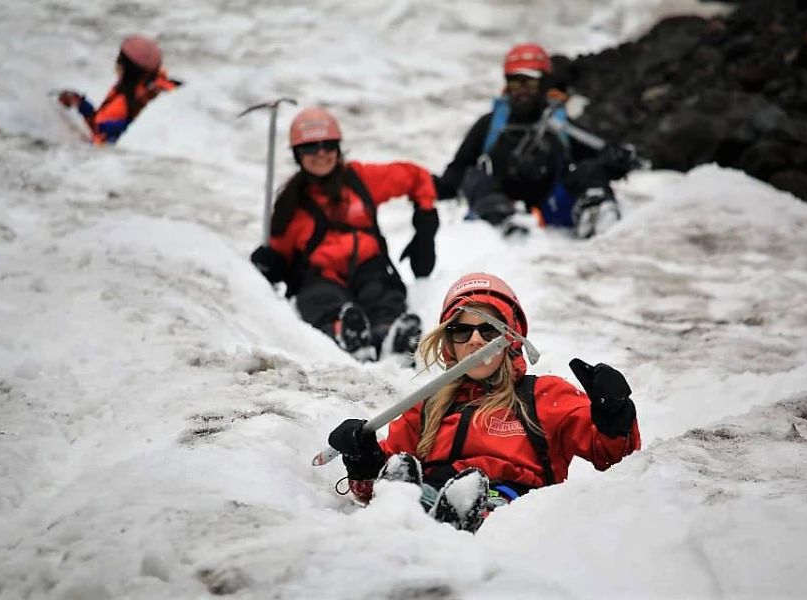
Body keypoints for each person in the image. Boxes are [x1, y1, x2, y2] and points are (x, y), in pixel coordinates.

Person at [326, 272, 641, 532]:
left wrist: (612, 410)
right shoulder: (426, 407)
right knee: (399, 473)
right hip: (427, 498)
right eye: (461, 331)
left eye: (489, 330)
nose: (475, 341)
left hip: (511, 512)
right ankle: (420, 514)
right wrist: (362, 459)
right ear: (449, 343)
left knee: (471, 496)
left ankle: (454, 518)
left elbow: (615, 456)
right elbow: (367, 493)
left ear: (511, 338)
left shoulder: (545, 396)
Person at [250, 107, 440, 363]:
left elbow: (416, 177)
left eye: (327, 145)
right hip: (321, 277)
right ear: (297, 154)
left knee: (382, 295)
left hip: (368, 268)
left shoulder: (361, 179)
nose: (321, 154)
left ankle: (392, 338)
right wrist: (269, 262)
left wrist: (425, 216)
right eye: (310, 148)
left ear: (338, 148)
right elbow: (282, 257)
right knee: (321, 301)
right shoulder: (289, 204)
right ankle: (345, 334)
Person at [432, 43, 646, 239]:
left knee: (588, 170)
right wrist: (431, 187)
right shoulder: (489, 125)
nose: (522, 90)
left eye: (530, 82)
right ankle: (505, 226)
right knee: (473, 177)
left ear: (544, 83)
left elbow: (601, 162)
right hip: (500, 205)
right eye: (516, 83)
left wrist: (618, 160)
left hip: (554, 208)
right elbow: (457, 173)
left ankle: (597, 216)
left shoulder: (562, 125)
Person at [56, 35, 182, 145]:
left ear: (124, 68)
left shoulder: (124, 100)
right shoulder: (158, 85)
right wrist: (80, 104)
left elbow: (100, 135)